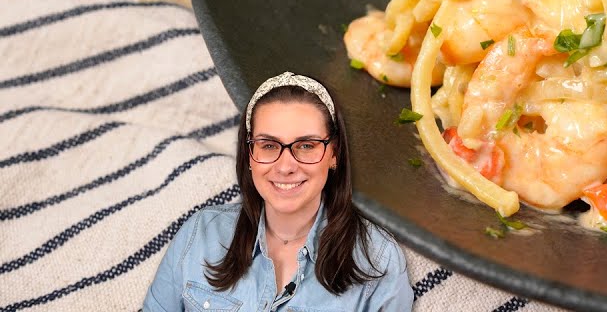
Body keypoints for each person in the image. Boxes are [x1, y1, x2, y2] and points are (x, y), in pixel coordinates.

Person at [144, 72, 413, 310]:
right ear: (249, 154)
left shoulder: (379, 261)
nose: (286, 166)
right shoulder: (200, 233)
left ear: (334, 154)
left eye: (306, 146)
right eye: (269, 145)